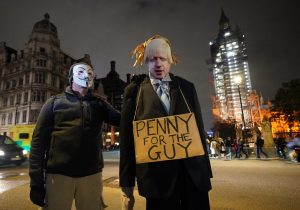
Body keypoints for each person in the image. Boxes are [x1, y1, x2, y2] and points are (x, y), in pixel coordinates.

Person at [119, 35, 212, 210]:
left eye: (162, 58)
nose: (158, 64)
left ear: (170, 60)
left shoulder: (186, 87)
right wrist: (126, 183)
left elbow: (198, 129)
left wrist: (205, 171)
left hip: (192, 176)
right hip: (156, 180)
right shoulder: (135, 92)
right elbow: (127, 140)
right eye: (153, 59)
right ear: (145, 61)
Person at [29, 62, 120, 210]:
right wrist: (36, 182)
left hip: (91, 176)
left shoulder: (99, 104)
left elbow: (123, 120)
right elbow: (38, 142)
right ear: (71, 77)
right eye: (81, 72)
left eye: (90, 73)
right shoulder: (53, 103)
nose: (87, 75)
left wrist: (131, 97)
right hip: (58, 177)